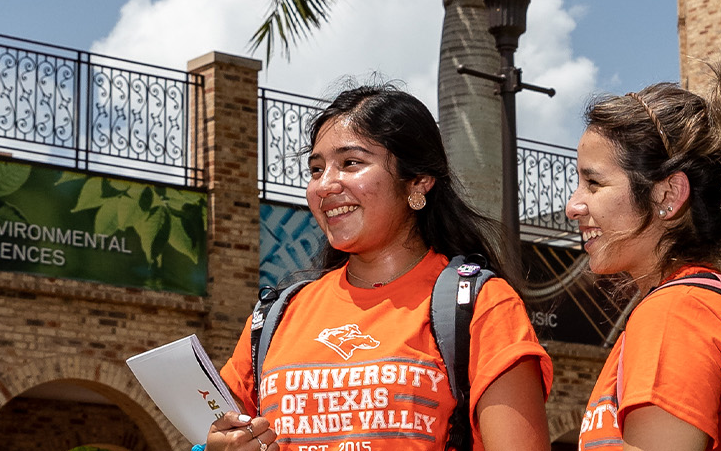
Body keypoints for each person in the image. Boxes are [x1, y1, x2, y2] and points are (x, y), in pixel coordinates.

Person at [206, 86, 552, 451]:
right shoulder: (276, 317)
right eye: (316, 169)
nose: (325, 185)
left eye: (350, 163)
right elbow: (214, 431)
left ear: (418, 181)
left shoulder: (481, 306)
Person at [566, 67, 721, 450]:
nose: (573, 205)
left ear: (668, 195)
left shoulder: (676, 315)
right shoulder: (699, 304)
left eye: (594, 183)